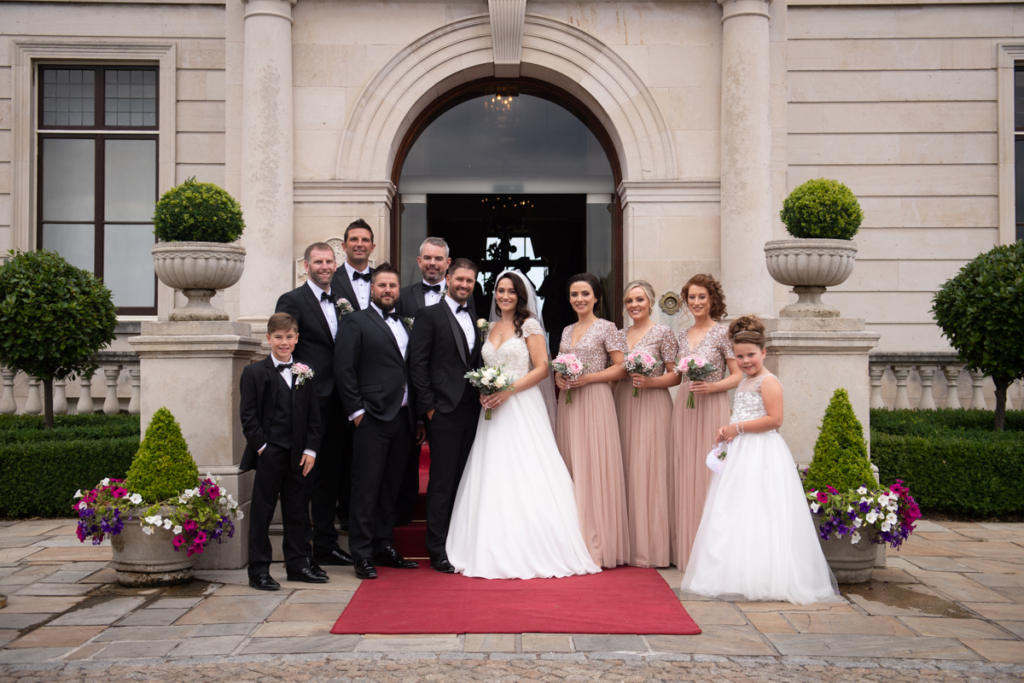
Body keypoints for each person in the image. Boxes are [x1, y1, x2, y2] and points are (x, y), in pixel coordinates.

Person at [446, 271, 600, 579]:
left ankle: (538, 543)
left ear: (520, 296)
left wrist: (508, 390)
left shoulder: (529, 325)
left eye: (510, 292)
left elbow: (543, 368)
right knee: (492, 471)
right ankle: (487, 542)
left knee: (528, 468)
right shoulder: (487, 327)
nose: (504, 296)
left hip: (521, 404)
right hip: (492, 411)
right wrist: (486, 388)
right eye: (500, 291)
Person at [682, 316, 838, 604]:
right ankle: (733, 572)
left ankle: (765, 574)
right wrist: (728, 432)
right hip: (741, 451)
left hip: (762, 452)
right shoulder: (743, 382)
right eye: (739, 356)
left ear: (763, 353)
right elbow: (742, 416)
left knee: (762, 510)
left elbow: (774, 419)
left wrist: (737, 428)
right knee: (735, 509)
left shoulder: (768, 381)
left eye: (750, 355)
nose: (745, 361)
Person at [335, 263, 421, 580]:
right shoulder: (356, 321)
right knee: (366, 487)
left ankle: (383, 545)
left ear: (399, 290)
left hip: (403, 417)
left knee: (390, 487)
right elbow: (344, 369)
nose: (388, 291)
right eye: (382, 285)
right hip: (371, 417)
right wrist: (357, 412)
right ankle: (362, 553)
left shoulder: (406, 324)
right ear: (373, 288)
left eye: (393, 286)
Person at [275, 243, 355, 568]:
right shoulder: (292, 300)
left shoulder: (341, 300)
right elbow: (284, 350)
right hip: (308, 403)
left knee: (330, 477)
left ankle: (325, 543)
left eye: (329, 261)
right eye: (318, 261)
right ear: (306, 265)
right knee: (303, 477)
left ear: (336, 265)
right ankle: (300, 550)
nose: (324, 266)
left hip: (339, 402)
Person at [239, 312, 328, 590]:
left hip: (299, 454)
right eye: (278, 337)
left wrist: (311, 450)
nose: (284, 342)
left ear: (297, 338)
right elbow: (248, 416)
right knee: (262, 511)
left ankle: (298, 564)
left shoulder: (306, 371)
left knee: (298, 510)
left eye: (289, 337)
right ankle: (259, 570)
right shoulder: (254, 372)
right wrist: (263, 447)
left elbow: (315, 417)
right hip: (270, 451)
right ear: (268, 339)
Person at [407, 258, 483, 573]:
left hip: (473, 411)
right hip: (444, 412)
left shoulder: (476, 316)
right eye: (460, 279)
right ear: (448, 278)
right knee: (441, 481)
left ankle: (458, 542)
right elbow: (417, 364)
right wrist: (428, 409)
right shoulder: (429, 315)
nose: (464, 285)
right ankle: (437, 548)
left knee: (465, 480)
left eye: (470, 281)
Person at [554, 273, 630, 569]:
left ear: (596, 297)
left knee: (595, 466)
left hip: (596, 400)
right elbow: (560, 363)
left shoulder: (607, 328)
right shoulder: (566, 329)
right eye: (574, 294)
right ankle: (573, 538)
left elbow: (621, 368)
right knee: (572, 464)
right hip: (570, 404)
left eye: (585, 293)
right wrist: (560, 376)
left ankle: (598, 542)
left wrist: (589, 378)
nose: (579, 299)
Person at [667, 274, 741, 571]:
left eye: (701, 297)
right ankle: (687, 548)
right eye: (691, 298)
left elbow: (737, 375)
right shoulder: (683, 335)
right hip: (685, 406)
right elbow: (676, 375)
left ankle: (714, 554)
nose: (696, 302)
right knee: (686, 470)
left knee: (712, 471)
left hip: (712, 404)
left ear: (712, 300)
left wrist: (712, 386)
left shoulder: (723, 333)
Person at [393, 236, 458, 526]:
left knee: (449, 466)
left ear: (448, 263)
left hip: (452, 397)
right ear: (419, 262)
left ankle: (452, 523)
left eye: (438, 258)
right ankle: (402, 520)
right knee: (405, 463)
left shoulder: (464, 295)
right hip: (411, 394)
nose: (433, 263)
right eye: (427, 258)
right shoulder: (403, 297)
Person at [614, 281, 678, 568]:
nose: (634, 305)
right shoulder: (618, 335)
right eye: (629, 301)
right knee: (626, 466)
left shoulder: (664, 333)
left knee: (650, 469)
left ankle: (653, 547)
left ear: (650, 302)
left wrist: (650, 382)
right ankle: (626, 543)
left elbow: (675, 375)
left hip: (653, 404)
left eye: (639, 299)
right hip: (623, 401)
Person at [333, 218, 376, 312]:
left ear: (372, 248)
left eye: (365, 240)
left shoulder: (383, 279)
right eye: (354, 239)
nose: (359, 244)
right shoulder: (331, 279)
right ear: (344, 246)